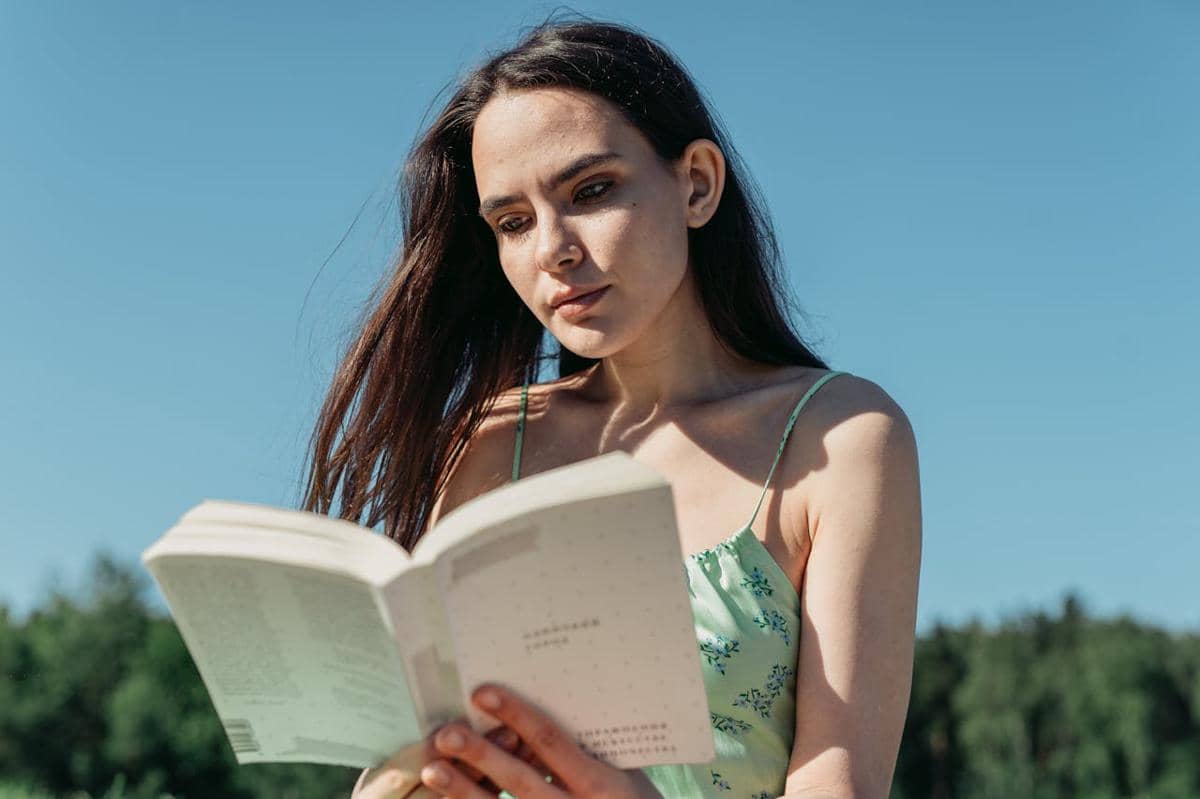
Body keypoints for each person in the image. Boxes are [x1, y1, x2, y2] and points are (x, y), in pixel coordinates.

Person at [303, 13, 922, 799]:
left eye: (591, 191)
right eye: (513, 222)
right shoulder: (492, 443)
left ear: (696, 183)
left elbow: (842, 782)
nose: (553, 249)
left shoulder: (842, 440)